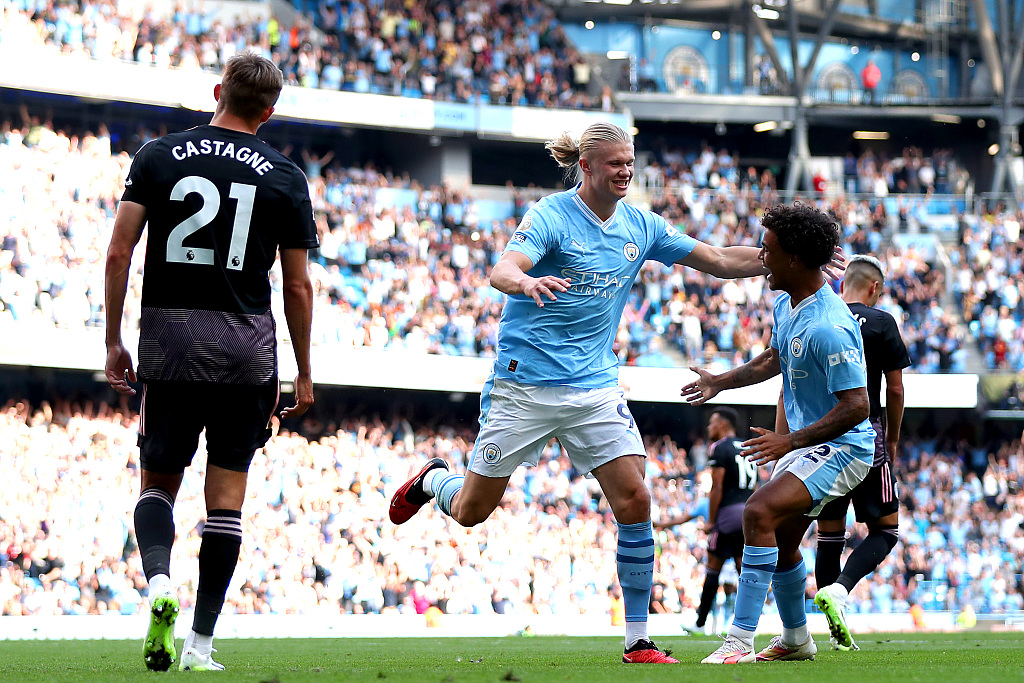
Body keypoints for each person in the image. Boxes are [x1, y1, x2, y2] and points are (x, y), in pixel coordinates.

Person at [389, 121, 774, 664]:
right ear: (587, 166)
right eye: (616, 163)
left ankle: (637, 640)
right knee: (473, 510)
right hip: (524, 385)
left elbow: (715, 260)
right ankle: (435, 480)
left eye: (630, 162)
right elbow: (503, 268)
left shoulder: (641, 226)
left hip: (593, 386)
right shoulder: (550, 215)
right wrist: (526, 283)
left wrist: (782, 259)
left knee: (637, 497)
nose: (626, 171)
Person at [104, 51, 318, 672]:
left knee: (157, 486)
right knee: (225, 503)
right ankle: (200, 644)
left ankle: (159, 583)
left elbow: (120, 253)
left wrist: (115, 339)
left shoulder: (158, 155)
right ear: (270, 111)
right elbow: (298, 287)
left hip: (169, 342)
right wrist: (303, 370)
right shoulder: (284, 177)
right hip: (245, 353)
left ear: (218, 90)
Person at [682, 203, 873, 664]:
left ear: (793, 258)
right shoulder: (788, 302)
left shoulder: (830, 325)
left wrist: (789, 442)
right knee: (782, 542)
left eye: (767, 249)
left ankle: (738, 642)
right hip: (809, 445)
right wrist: (719, 381)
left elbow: (858, 406)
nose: (761, 257)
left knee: (757, 512)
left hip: (844, 449)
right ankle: (795, 640)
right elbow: (773, 360)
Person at [811, 255, 910, 650]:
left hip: (823, 440)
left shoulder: (819, 319)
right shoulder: (882, 321)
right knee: (886, 529)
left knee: (829, 537)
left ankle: (834, 633)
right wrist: (893, 439)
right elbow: (896, 389)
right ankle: (841, 590)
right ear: (873, 289)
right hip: (866, 438)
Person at [657, 407, 755, 636]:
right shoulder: (747, 447)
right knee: (745, 571)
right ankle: (748, 622)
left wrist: (712, 521)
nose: (709, 427)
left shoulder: (720, 448)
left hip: (728, 515)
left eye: (712, 423)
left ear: (722, 424)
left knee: (713, 569)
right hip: (748, 514)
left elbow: (717, 486)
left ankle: (700, 623)